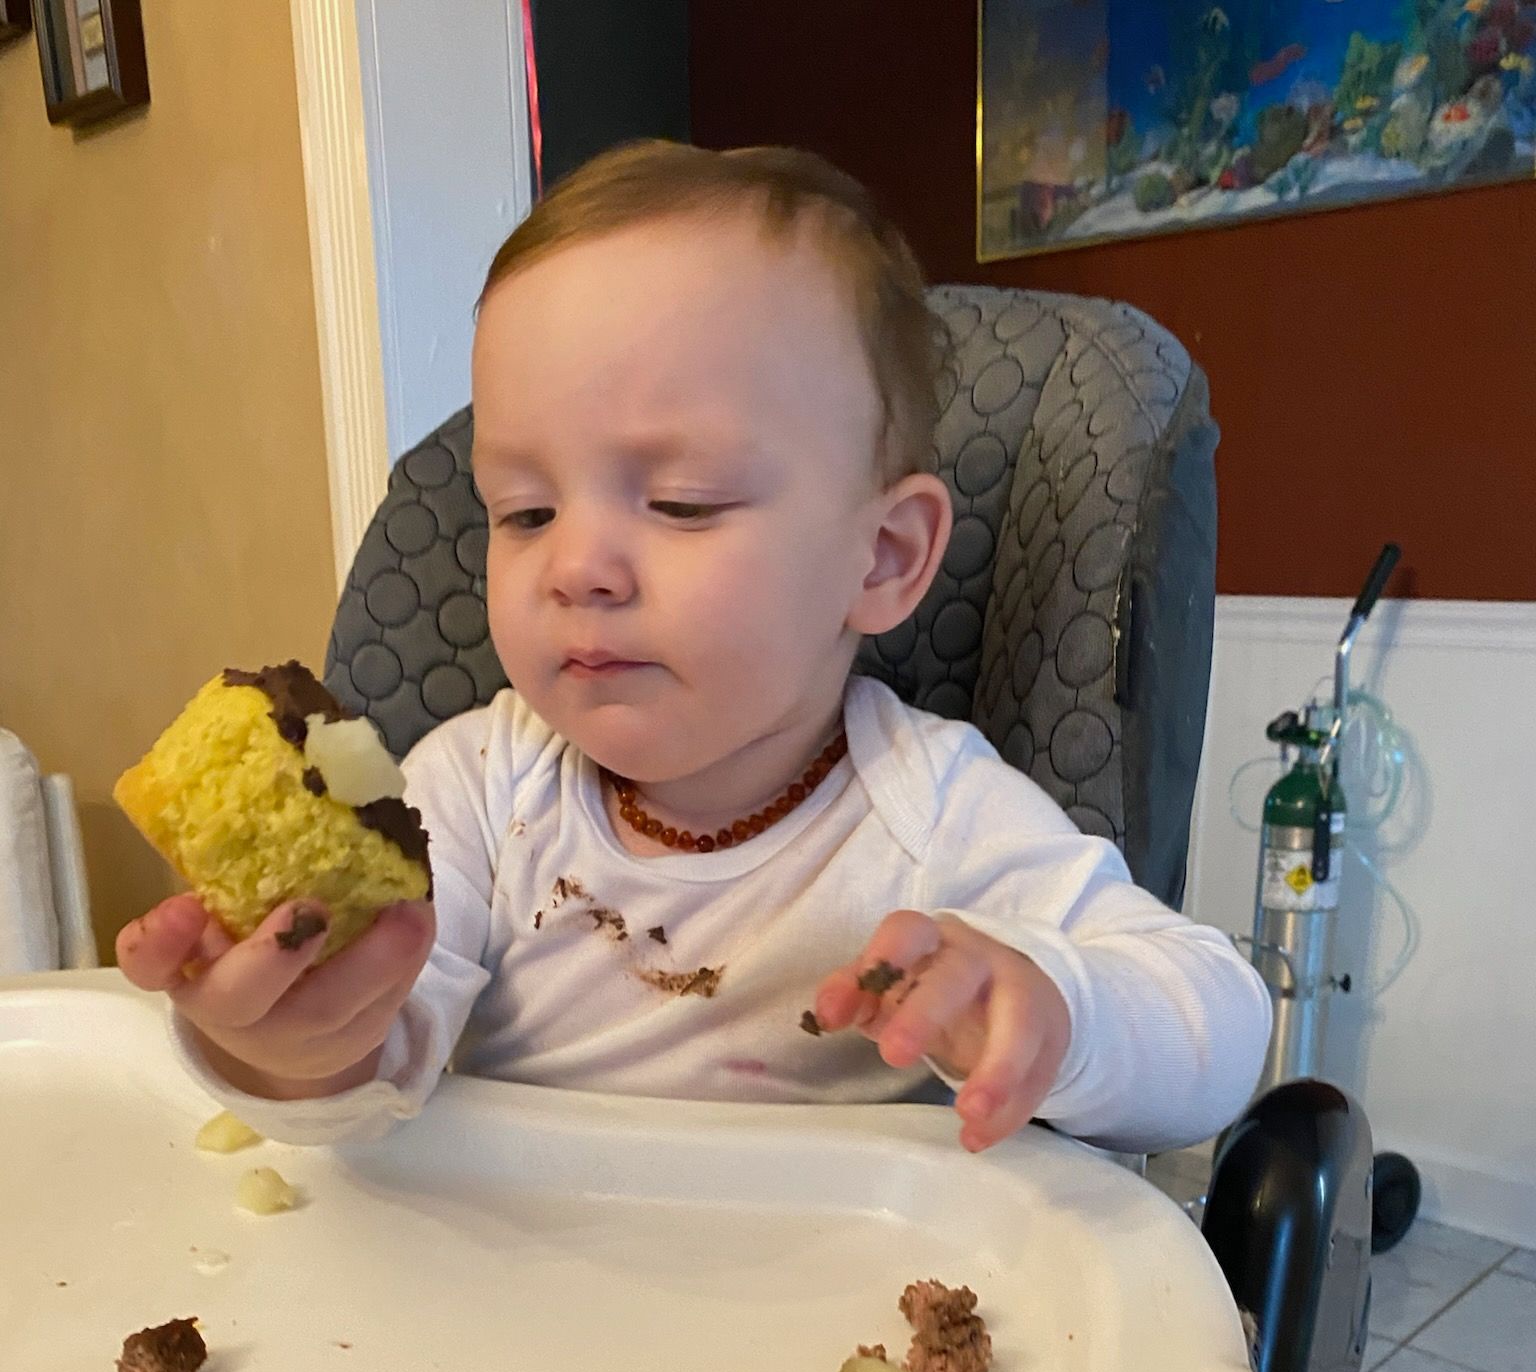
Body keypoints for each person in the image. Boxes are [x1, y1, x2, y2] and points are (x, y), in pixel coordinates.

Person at [117, 141, 1269, 1158]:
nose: (577, 566)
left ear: (880, 559)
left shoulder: (933, 817)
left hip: (810, 1334)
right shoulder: (478, 789)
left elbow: (1215, 1013)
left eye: (680, 500)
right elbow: (387, 1060)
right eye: (524, 511)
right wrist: (301, 1044)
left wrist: (1056, 1004)